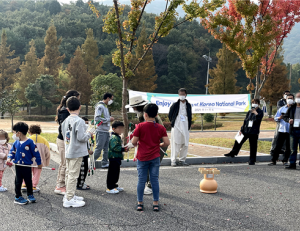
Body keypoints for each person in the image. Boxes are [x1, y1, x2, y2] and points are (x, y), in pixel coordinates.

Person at [125, 95, 168, 195]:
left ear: (137, 107)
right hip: (154, 143)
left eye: (133, 107)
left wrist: (133, 142)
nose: (133, 109)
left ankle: (150, 186)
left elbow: (147, 132)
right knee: (151, 165)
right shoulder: (147, 113)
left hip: (156, 143)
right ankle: (151, 187)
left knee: (152, 166)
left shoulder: (147, 116)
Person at [132, 104, 170, 212]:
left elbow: (134, 142)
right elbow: (167, 142)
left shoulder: (140, 126)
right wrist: (159, 145)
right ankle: (156, 203)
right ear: (157, 115)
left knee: (141, 180)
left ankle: (140, 203)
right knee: (154, 180)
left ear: (145, 115)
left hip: (142, 157)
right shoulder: (161, 128)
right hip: (155, 157)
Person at [61, 96, 92, 208]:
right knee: (73, 175)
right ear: (80, 107)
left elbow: (65, 136)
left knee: (69, 174)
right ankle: (69, 198)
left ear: (68, 109)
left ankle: (69, 195)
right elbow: (81, 138)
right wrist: (89, 134)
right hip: (77, 151)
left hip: (68, 150)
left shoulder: (65, 121)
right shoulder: (80, 121)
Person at [7, 122, 42, 205]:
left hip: (27, 165)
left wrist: (39, 163)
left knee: (28, 181)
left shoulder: (30, 142)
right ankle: (18, 197)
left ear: (19, 133)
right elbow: (12, 151)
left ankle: (30, 195)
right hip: (18, 166)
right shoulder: (16, 142)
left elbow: (36, 153)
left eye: (14, 132)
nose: (13, 134)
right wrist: (9, 158)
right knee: (18, 181)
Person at [55, 90, 80, 195]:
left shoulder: (64, 110)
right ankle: (60, 186)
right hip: (64, 140)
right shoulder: (65, 112)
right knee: (65, 163)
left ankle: (62, 184)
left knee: (63, 163)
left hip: (63, 140)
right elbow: (66, 128)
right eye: (78, 98)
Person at [224, 99, 264, 165]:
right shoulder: (249, 111)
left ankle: (252, 160)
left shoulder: (260, 112)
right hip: (246, 130)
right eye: (253, 102)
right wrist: (241, 130)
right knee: (238, 141)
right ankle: (233, 153)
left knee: (253, 146)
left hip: (254, 132)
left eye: (256, 103)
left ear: (259, 104)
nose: (254, 104)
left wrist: (256, 113)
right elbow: (245, 121)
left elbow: (258, 120)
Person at [21, 125, 50, 193]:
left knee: (26, 172)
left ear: (29, 132)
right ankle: (33, 186)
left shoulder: (27, 139)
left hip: (28, 161)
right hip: (39, 161)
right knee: (37, 173)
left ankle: (24, 185)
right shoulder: (44, 140)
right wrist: (46, 160)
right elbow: (47, 152)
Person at [168, 88, 192, 167]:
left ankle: (182, 160)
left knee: (185, 144)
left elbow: (190, 116)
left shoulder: (188, 105)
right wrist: (174, 122)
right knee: (176, 143)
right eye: (180, 94)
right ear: (178, 95)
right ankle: (173, 160)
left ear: (186, 95)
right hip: (177, 126)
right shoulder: (175, 105)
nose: (182, 96)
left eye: (183, 94)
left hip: (185, 126)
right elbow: (170, 115)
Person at [268, 94, 294, 166]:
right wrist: (279, 118)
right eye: (288, 98)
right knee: (278, 145)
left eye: (291, 98)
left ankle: (285, 160)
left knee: (288, 147)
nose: (290, 100)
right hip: (282, 130)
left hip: (291, 130)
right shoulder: (282, 109)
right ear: (286, 99)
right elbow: (275, 118)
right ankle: (274, 160)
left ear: (293, 99)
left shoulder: (295, 109)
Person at [106, 121, 129, 194]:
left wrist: (124, 149)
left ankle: (114, 185)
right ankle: (110, 187)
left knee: (116, 172)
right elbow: (114, 147)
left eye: (122, 128)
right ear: (113, 129)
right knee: (112, 173)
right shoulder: (114, 137)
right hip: (113, 157)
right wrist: (123, 149)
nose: (121, 130)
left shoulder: (117, 136)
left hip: (117, 157)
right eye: (119, 128)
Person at [94, 93, 114, 168]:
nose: (111, 101)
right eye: (111, 99)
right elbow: (97, 119)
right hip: (100, 131)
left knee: (106, 149)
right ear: (108, 98)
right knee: (99, 148)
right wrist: (109, 119)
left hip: (106, 131)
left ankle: (105, 163)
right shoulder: (100, 106)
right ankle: (91, 162)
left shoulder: (105, 107)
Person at [270, 90, 291, 157]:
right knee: (277, 136)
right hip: (281, 121)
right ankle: (273, 149)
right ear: (283, 95)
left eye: (288, 94)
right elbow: (280, 110)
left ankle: (282, 149)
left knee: (287, 138)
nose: (287, 96)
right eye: (286, 94)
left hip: (288, 122)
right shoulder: (280, 102)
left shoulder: (293, 105)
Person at [283, 92, 300, 169]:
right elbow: (285, 117)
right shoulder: (292, 107)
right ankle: (292, 164)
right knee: (293, 149)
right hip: (293, 131)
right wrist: (289, 120)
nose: (298, 99)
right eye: (297, 97)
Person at [77, 117, 93, 190]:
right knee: (82, 170)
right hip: (82, 154)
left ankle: (82, 182)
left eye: (87, 123)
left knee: (85, 169)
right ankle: (80, 184)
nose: (86, 125)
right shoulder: (80, 133)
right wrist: (87, 151)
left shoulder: (85, 133)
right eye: (85, 123)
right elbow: (81, 142)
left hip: (85, 154)